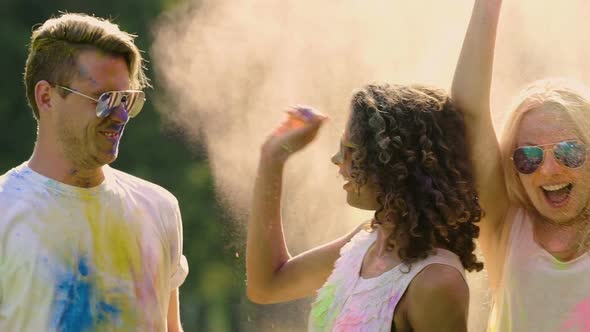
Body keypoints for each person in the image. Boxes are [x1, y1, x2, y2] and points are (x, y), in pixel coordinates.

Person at [0, 13, 188, 331]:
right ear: (46, 97)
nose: (121, 115)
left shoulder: (159, 207)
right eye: (104, 100)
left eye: (127, 99)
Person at [246, 83, 483, 331]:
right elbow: (266, 286)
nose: (337, 160)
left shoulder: (435, 281)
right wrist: (272, 157)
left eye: (350, 151)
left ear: (394, 162)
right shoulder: (365, 243)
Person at [452, 1, 590, 330]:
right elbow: (467, 113)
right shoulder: (506, 227)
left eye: (569, 151)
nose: (550, 170)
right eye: (529, 157)